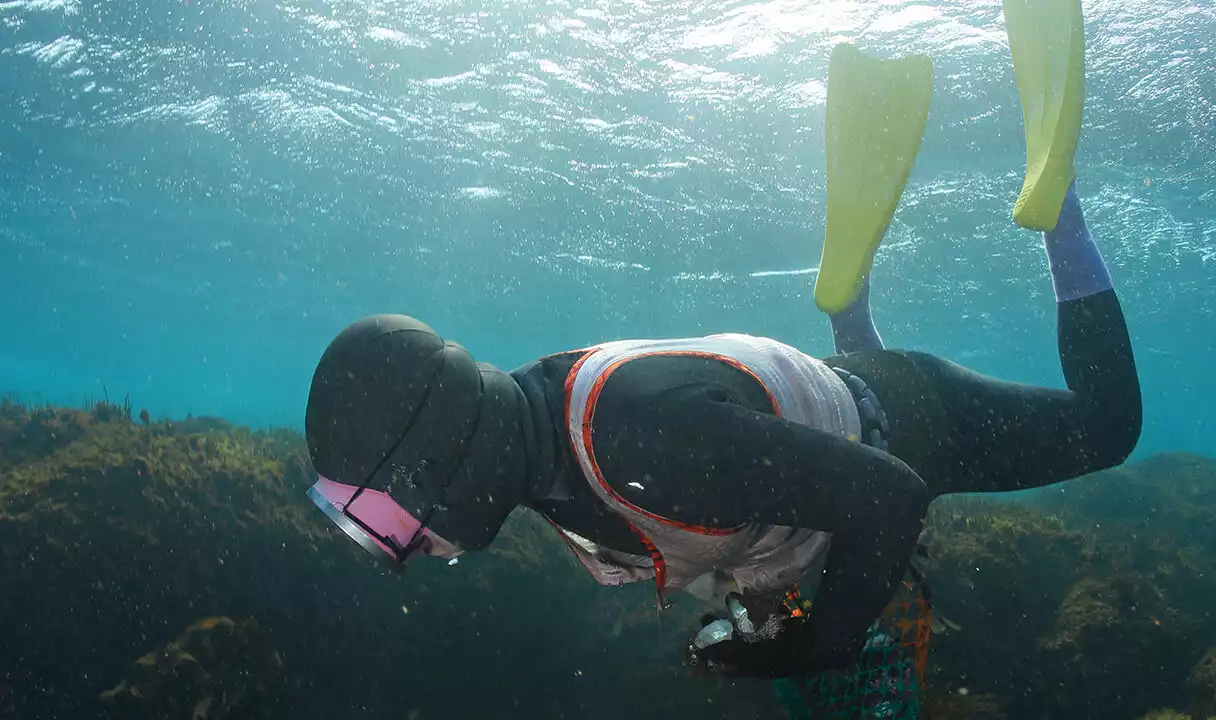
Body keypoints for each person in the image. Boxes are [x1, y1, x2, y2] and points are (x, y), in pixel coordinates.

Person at [302, 177, 1142, 679]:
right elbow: (713, 517)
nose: (401, 552)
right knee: (829, 436)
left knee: (1108, 430)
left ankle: (1057, 208)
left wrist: (825, 644)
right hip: (837, 415)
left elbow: (892, 498)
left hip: (916, 422)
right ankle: (849, 312)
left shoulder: (638, 447)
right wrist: (759, 615)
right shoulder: (538, 434)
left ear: (436, 467)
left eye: (381, 524)